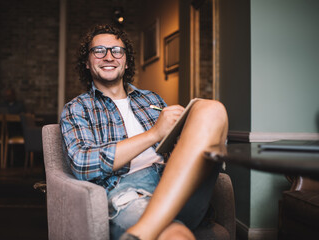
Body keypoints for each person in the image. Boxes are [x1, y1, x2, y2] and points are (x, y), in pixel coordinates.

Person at [60, 24, 228, 240]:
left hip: (175, 183)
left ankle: (140, 234)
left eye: (117, 51)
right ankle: (151, 230)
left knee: (211, 108)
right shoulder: (77, 108)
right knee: (177, 235)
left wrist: (185, 132)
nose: (109, 56)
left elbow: (180, 150)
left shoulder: (153, 99)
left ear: (126, 61)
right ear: (87, 62)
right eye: (99, 50)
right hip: (129, 191)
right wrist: (154, 134)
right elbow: (83, 163)